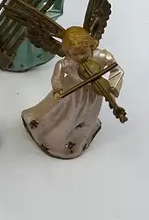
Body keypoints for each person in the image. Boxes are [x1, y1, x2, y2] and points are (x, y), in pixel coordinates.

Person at [21, 27, 123, 158]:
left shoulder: (102, 56)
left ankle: (78, 135)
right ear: (68, 52)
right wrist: (57, 89)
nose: (80, 57)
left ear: (91, 46)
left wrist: (112, 88)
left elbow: (117, 70)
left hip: (94, 92)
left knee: (87, 114)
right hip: (71, 95)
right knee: (64, 114)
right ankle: (56, 138)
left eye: (84, 52)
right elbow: (56, 78)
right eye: (75, 54)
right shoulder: (65, 63)